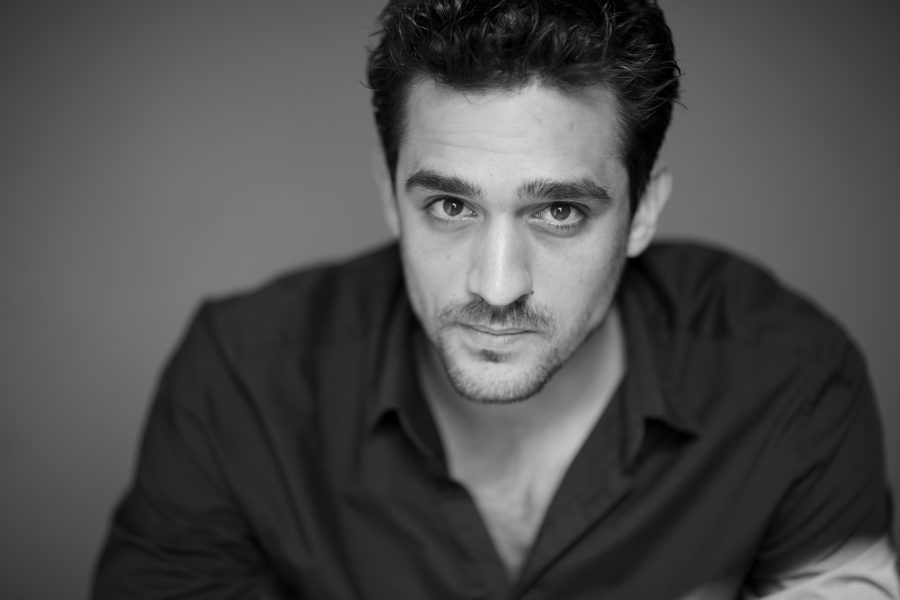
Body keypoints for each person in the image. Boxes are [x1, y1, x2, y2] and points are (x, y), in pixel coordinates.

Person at [92, 1, 898, 598]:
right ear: (389, 195)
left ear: (644, 212)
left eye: (560, 212)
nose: (497, 284)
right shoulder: (242, 381)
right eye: (450, 205)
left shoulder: (791, 385)